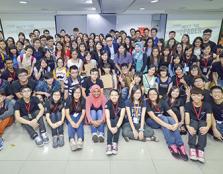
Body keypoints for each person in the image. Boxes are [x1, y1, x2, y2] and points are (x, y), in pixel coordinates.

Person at [146, 88, 188, 161]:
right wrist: (168, 126)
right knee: (164, 118)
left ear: (157, 95)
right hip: (151, 121)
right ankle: (171, 144)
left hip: (162, 120)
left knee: (170, 119)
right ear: (148, 95)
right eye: (150, 94)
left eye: (154, 94)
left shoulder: (162, 101)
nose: (152, 95)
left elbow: (171, 112)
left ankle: (180, 145)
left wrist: (176, 123)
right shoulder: (146, 102)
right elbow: (153, 117)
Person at [185, 88, 212, 163]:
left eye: (198, 95)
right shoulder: (188, 104)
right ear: (191, 96)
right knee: (193, 124)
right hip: (192, 123)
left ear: (202, 97)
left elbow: (209, 118)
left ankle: (200, 149)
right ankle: (192, 147)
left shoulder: (207, 105)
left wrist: (207, 127)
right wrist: (188, 126)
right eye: (194, 95)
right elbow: (186, 116)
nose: (196, 97)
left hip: (202, 123)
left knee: (203, 124)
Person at [65, 85, 85, 151]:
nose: (77, 94)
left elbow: (83, 113)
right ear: (73, 93)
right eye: (75, 92)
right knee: (71, 123)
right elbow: (67, 113)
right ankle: (72, 140)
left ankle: (80, 139)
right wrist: (72, 122)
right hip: (70, 115)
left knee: (80, 123)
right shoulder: (69, 99)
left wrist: (78, 123)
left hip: (79, 114)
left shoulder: (83, 100)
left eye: (79, 92)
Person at [105, 89, 125, 155]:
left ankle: (114, 143)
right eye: (112, 95)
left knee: (115, 122)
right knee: (112, 121)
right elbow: (107, 118)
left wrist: (116, 127)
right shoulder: (107, 104)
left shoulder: (122, 102)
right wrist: (110, 128)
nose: (114, 97)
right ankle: (109, 145)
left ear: (118, 96)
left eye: (116, 95)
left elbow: (122, 116)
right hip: (111, 121)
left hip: (120, 120)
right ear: (110, 96)